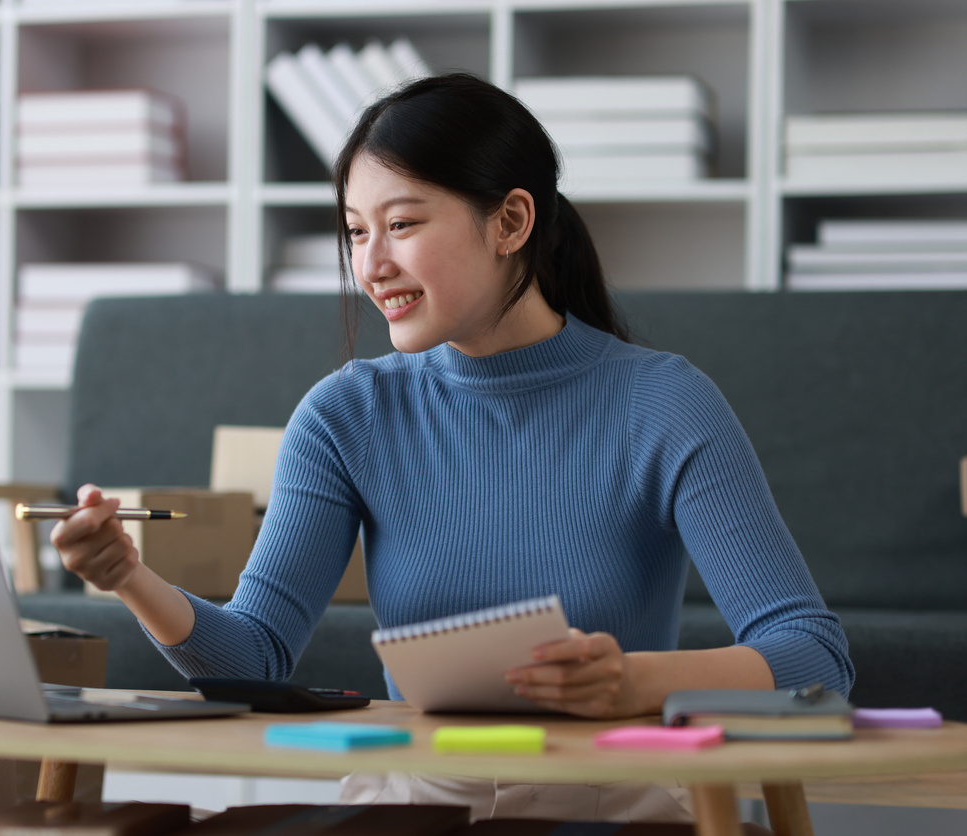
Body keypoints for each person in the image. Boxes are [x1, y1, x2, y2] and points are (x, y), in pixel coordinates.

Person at [51, 73, 852, 825]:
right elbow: (254, 659)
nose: (371, 266)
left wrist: (635, 681)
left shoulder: (663, 402)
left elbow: (814, 662)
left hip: (610, 800)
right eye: (356, 233)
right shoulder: (345, 414)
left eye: (400, 225)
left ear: (509, 221)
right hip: (412, 801)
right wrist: (129, 576)